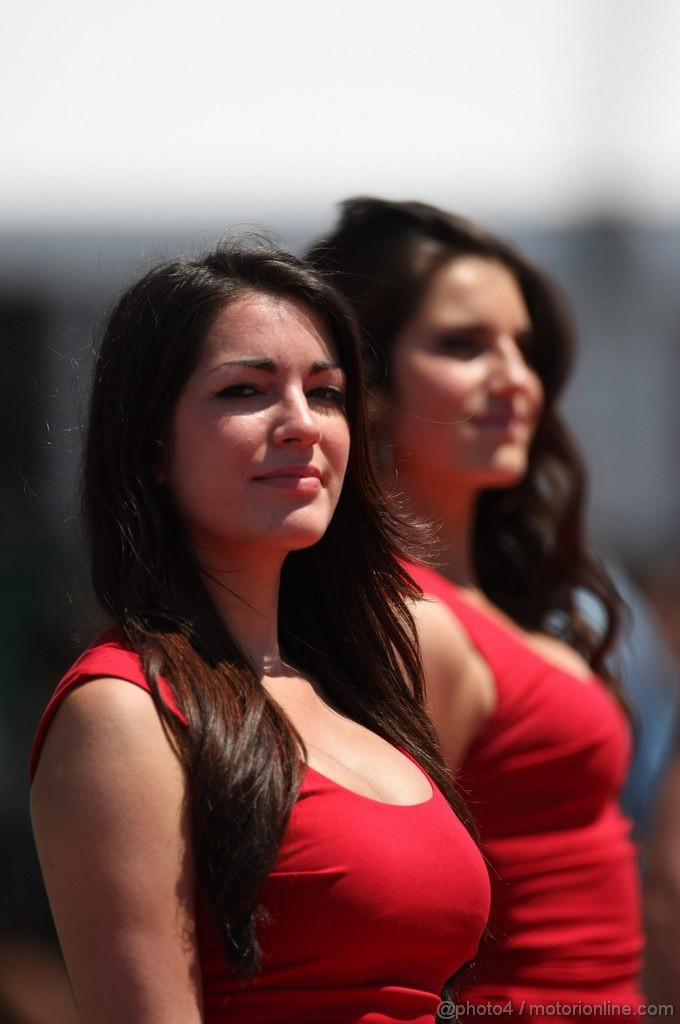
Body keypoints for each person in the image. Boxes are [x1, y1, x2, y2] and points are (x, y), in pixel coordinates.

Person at [29, 240, 490, 1024]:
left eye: (328, 393)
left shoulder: (365, 687)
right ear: (151, 450)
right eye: (246, 390)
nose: (303, 424)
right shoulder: (125, 716)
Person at [308, 199, 645, 1017]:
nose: (515, 378)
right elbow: (389, 907)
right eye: (464, 345)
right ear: (366, 380)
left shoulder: (491, 595)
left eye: (523, 348)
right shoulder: (411, 619)